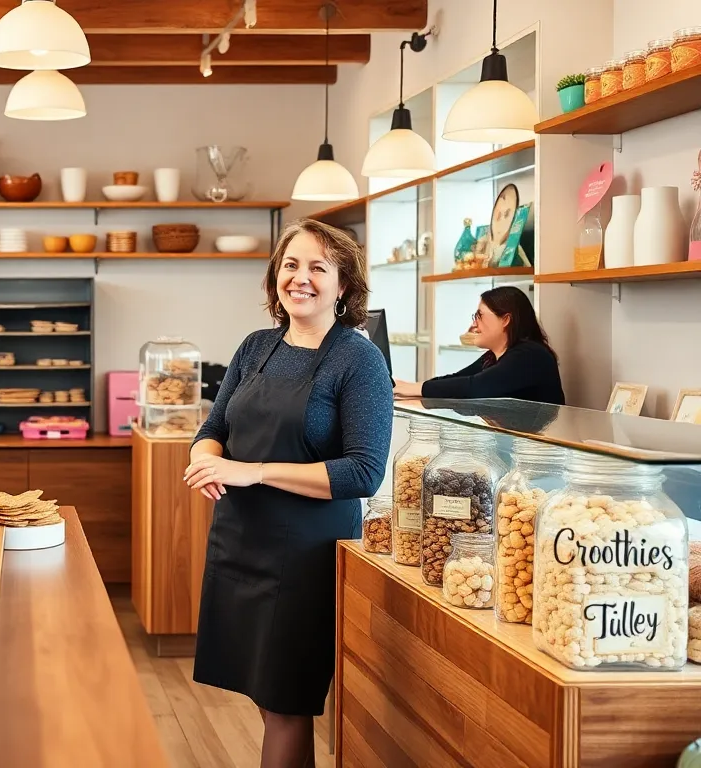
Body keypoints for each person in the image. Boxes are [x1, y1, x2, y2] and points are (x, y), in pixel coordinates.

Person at [182, 219, 392, 768]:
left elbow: (364, 472)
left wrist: (253, 472)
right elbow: (213, 431)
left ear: (344, 286)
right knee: (263, 696)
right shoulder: (257, 347)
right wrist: (205, 463)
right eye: (291, 265)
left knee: (287, 702)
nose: (301, 278)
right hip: (240, 542)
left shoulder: (358, 358)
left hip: (305, 555)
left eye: (318, 268)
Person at [392, 285, 564, 405]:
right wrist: (405, 387)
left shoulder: (530, 355)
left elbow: (475, 387)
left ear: (505, 319)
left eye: (479, 316)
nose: (473, 325)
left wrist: (414, 388)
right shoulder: (493, 357)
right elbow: (456, 379)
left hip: (538, 453)